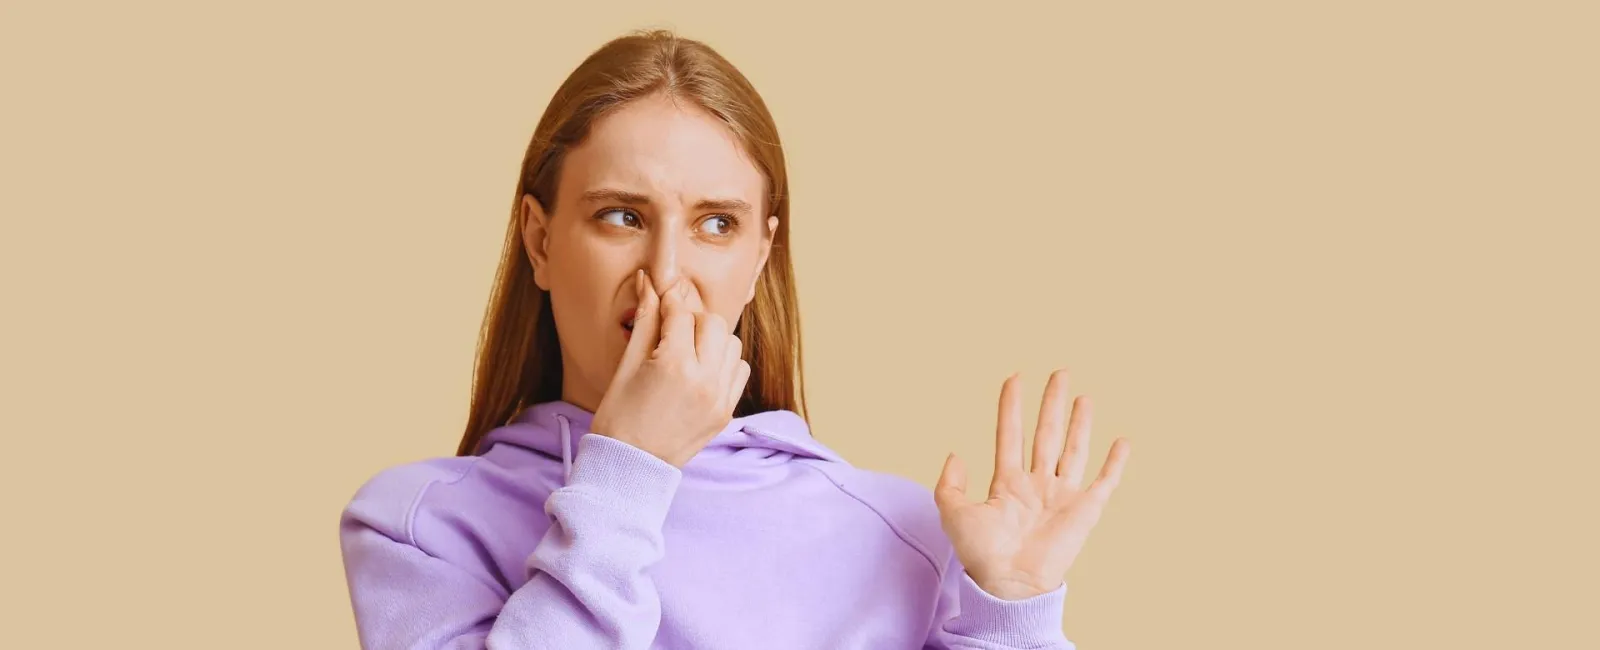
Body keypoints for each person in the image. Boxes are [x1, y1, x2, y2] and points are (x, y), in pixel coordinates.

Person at [338, 28, 1132, 650]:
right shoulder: (415, 526)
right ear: (540, 243)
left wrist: (1013, 616)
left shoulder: (905, 536)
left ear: (758, 259)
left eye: (716, 224)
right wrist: (630, 471)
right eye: (622, 215)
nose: (667, 272)